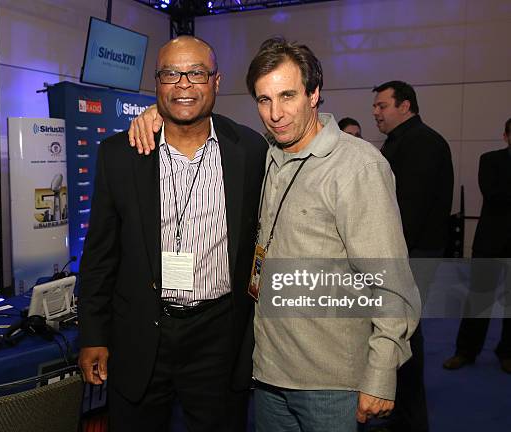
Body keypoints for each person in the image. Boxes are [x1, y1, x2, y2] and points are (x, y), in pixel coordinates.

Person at [130, 37, 420, 432]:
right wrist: (160, 112)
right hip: (267, 375)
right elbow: (201, 125)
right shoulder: (265, 155)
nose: (276, 114)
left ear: (315, 94)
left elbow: (392, 281)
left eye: (288, 96)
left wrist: (383, 370)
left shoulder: (357, 168)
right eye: (264, 100)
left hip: (332, 383)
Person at [78, 35, 268, 432]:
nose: (184, 85)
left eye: (196, 73)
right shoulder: (120, 154)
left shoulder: (249, 150)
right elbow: (100, 255)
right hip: (142, 331)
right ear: (156, 83)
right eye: (171, 74)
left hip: (219, 335)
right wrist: (92, 334)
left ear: (216, 82)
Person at [372, 80, 454, 432]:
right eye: (375, 106)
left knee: (403, 335)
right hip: (406, 253)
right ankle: (401, 412)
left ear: (405, 106)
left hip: (410, 255)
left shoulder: (422, 143)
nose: (376, 112)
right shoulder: (402, 141)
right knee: (401, 334)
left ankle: (408, 419)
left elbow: (409, 211)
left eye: (382, 106)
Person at [443, 118, 511, 374]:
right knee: (478, 302)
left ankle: (507, 353)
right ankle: (465, 352)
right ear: (505, 136)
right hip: (490, 243)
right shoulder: (490, 160)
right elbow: (494, 195)